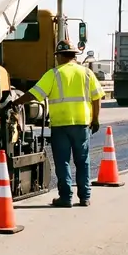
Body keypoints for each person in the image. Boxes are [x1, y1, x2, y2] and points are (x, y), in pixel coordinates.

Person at [12, 40, 104, 207]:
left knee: (63, 162)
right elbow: (97, 97)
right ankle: (85, 197)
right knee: (82, 161)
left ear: (60, 56)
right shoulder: (87, 73)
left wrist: (15, 102)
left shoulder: (53, 74)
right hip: (82, 124)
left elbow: (34, 94)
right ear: (74, 55)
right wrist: (95, 119)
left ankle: (66, 198)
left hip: (60, 125)